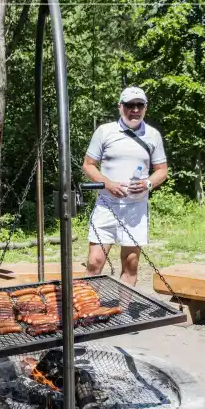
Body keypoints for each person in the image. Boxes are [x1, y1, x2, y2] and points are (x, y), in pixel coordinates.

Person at [81, 87, 168, 286]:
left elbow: (162, 170)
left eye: (140, 105)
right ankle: (86, 313)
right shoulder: (105, 131)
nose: (135, 110)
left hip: (135, 210)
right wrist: (108, 184)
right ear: (121, 107)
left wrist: (147, 183)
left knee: (131, 263)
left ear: (145, 108)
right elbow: (88, 165)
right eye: (130, 105)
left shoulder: (153, 135)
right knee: (95, 262)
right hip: (106, 205)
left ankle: (123, 311)